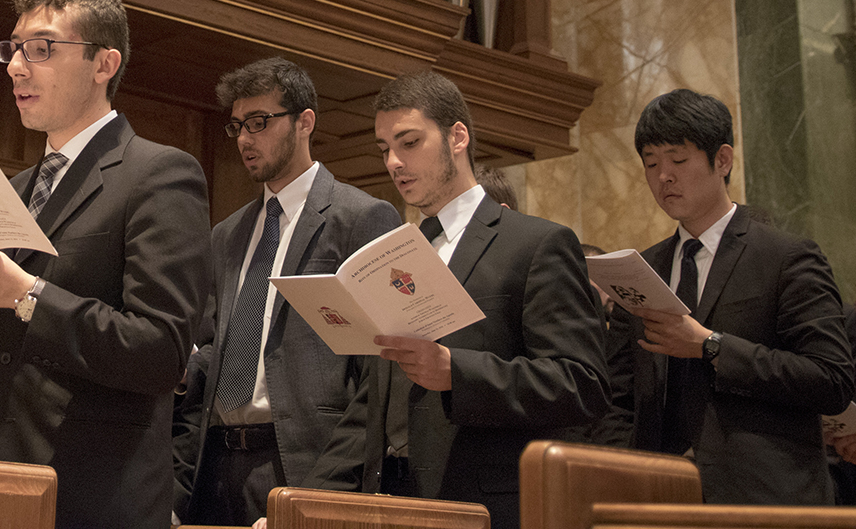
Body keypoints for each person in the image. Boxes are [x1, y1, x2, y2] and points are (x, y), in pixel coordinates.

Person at [0, 0, 212, 529]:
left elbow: (160, 350)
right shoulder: (13, 189)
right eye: (13, 49)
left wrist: (26, 294)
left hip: (96, 495)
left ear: (103, 63)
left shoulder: (159, 174)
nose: (17, 66)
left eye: (41, 49)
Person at [306, 70, 608, 529]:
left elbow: (581, 384)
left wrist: (457, 373)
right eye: (384, 148)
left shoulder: (535, 244)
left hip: (482, 504)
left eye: (409, 143)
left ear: (457, 137)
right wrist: (305, 504)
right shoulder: (396, 252)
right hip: (392, 502)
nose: (393, 162)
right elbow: (372, 406)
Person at [174, 57, 401, 526]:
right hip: (214, 464)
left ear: (305, 122)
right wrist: (178, 369)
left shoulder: (362, 218)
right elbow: (217, 349)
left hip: (299, 460)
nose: (244, 138)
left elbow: (378, 380)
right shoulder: (227, 233)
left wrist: (314, 495)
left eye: (259, 122)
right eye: (237, 125)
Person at [603, 88, 852, 503]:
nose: (663, 176)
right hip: (658, 498)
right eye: (651, 163)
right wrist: (624, 467)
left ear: (722, 160)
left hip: (766, 496)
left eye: (678, 160)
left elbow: (831, 379)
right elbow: (617, 395)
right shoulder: (640, 270)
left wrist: (711, 346)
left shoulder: (786, 257)